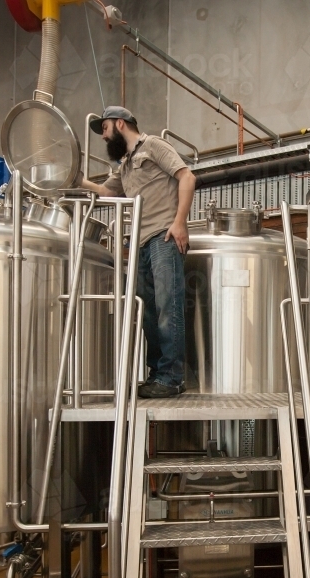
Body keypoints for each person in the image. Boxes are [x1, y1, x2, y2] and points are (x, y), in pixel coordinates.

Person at [81, 106, 196, 398]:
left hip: (164, 236)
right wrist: (71, 175)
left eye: (105, 129)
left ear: (120, 123)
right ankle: (157, 375)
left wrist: (180, 223)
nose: (104, 136)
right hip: (140, 244)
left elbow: (187, 177)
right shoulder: (125, 166)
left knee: (168, 309)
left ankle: (172, 378)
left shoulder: (154, 145)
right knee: (148, 313)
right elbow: (106, 193)